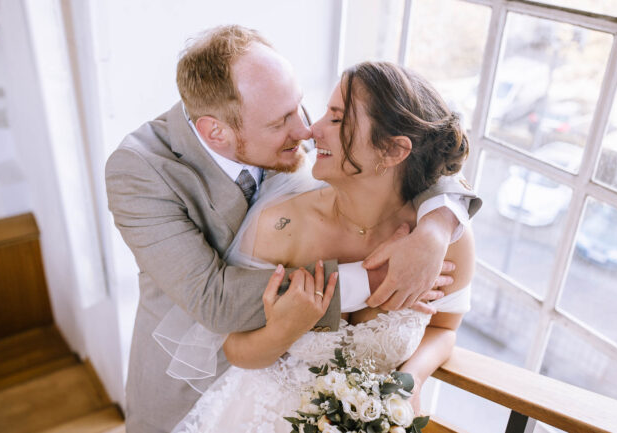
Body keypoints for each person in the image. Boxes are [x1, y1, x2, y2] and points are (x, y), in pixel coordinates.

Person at [105, 25, 480, 433]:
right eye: (282, 121)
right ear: (218, 132)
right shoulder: (139, 171)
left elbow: (420, 155)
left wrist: (437, 228)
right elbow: (214, 301)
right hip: (195, 389)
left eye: (301, 107)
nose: (306, 131)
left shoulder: (294, 130)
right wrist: (383, 276)